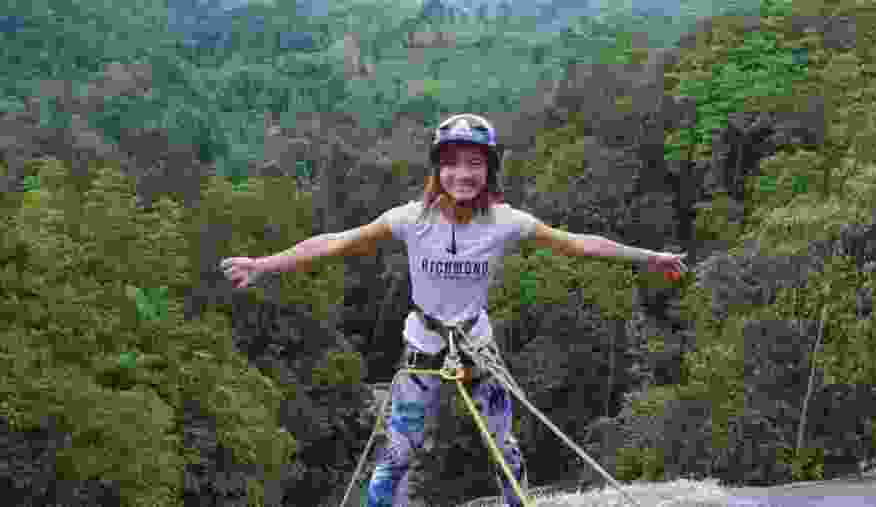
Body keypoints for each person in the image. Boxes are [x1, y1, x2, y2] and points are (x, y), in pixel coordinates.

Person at [220, 113, 688, 507]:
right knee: (397, 456)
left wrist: (650, 258)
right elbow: (335, 243)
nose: (462, 175)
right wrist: (264, 265)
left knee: (505, 451)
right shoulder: (410, 220)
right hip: (423, 346)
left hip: (476, 346)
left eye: (474, 165)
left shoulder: (505, 222)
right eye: (451, 165)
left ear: (489, 171)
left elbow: (580, 244)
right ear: (437, 170)